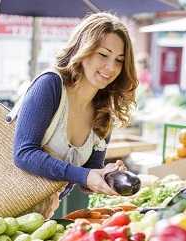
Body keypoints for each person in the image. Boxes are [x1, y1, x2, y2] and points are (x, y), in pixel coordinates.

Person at [12, 12, 138, 218]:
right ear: (84, 50)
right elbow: (23, 153)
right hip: (2, 207)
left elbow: (88, 174)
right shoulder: (51, 86)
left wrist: (106, 175)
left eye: (119, 60)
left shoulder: (104, 111)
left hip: (38, 219)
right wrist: (85, 175)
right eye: (103, 55)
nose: (111, 67)